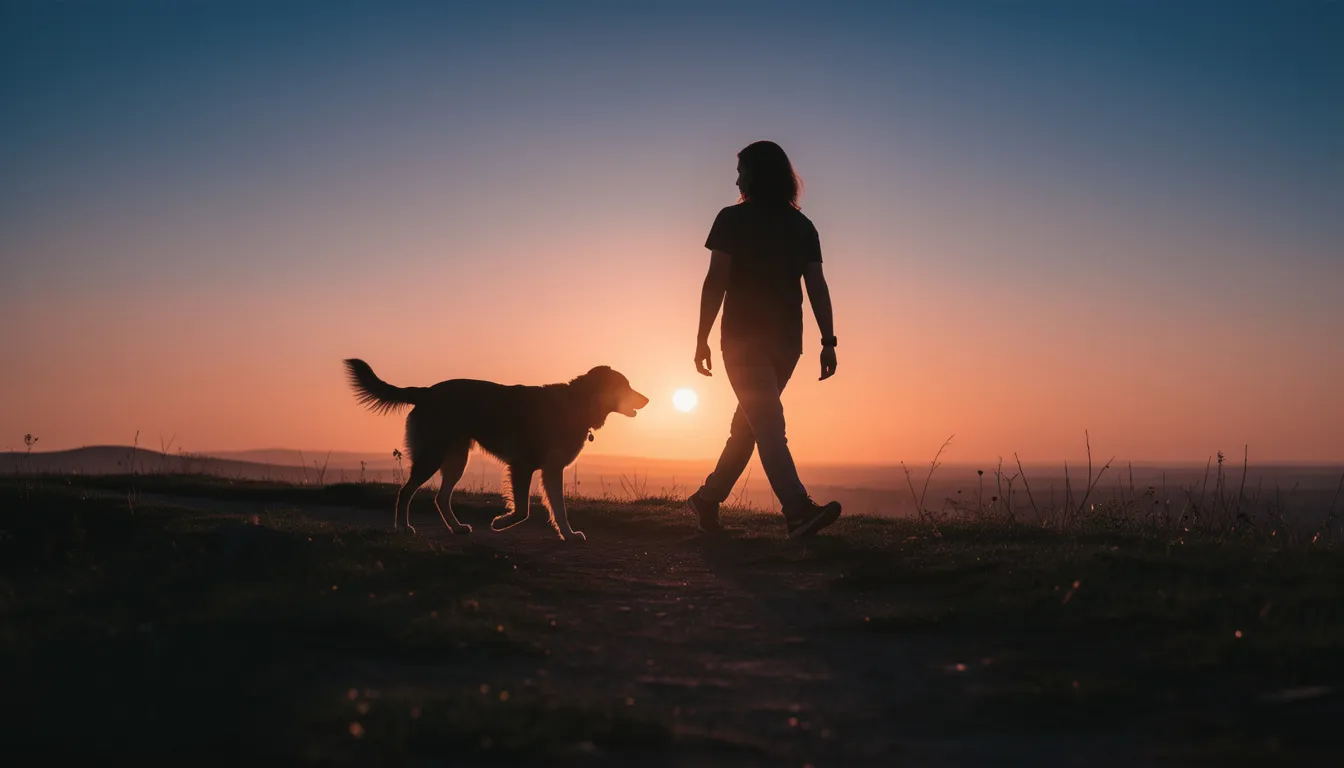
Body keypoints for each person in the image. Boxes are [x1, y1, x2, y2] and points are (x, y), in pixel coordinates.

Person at [687, 140, 842, 538]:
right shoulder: (802, 226)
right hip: (779, 343)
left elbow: (715, 281)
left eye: (741, 169)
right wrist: (827, 341)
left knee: (750, 427)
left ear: (755, 173)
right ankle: (797, 510)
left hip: (754, 341)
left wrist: (702, 338)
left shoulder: (732, 220)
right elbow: (818, 288)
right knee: (769, 424)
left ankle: (707, 498)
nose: (736, 178)